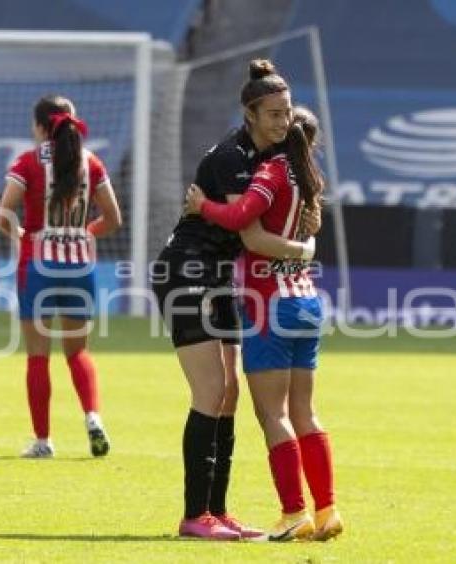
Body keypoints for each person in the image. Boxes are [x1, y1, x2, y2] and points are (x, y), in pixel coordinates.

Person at [151, 59, 321, 540]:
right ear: (250, 114)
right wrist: (302, 248)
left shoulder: (270, 160)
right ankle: (193, 516)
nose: (284, 122)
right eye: (273, 114)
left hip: (219, 277)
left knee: (229, 393)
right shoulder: (232, 157)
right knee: (209, 392)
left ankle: (218, 512)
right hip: (184, 272)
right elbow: (250, 234)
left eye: (287, 113)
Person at [184, 102, 344, 542]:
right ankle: (327, 509)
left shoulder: (273, 173)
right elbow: (305, 231)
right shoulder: (311, 181)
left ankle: (294, 513)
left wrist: (204, 206)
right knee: (305, 411)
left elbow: (242, 222)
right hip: (307, 301)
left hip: (269, 303)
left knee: (271, 413)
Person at [0, 94, 122, 459]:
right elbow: (113, 218)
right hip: (80, 266)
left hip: (38, 265)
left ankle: (43, 441)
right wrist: (84, 233)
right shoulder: (91, 162)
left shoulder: (28, 162)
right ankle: (93, 418)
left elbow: (4, 214)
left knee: (38, 356)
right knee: (78, 351)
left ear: (39, 126)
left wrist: (22, 235)